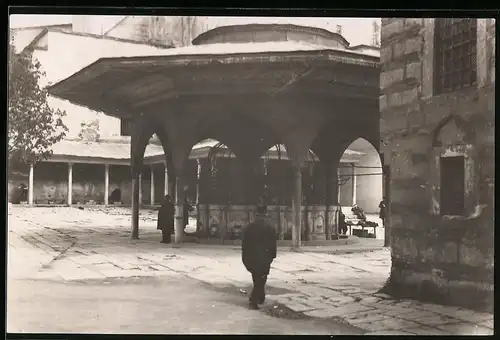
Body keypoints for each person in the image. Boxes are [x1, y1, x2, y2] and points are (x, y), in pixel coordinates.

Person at [242, 202, 277, 310]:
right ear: (266, 213)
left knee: (257, 278)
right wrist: (272, 256)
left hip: (252, 258)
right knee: (261, 279)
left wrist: (245, 258)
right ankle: (254, 300)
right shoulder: (270, 227)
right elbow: (273, 244)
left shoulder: (249, 227)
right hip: (264, 258)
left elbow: (244, 245)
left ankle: (260, 297)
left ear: (256, 213)